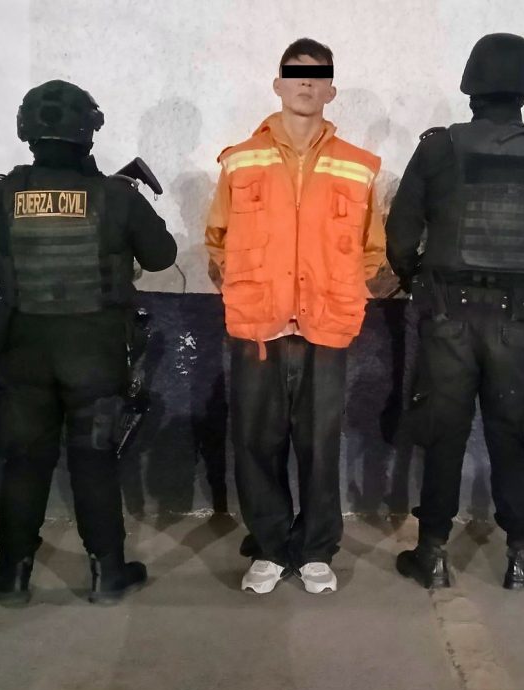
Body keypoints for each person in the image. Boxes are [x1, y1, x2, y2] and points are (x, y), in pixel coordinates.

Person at [386, 34, 524, 591]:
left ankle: (432, 555)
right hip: (516, 323)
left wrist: (416, 279)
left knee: (444, 434)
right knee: (511, 437)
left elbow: (399, 237)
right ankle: (523, 558)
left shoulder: (438, 148)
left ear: (471, 87)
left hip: (448, 319)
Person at [0, 79, 177, 604]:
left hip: (24, 352)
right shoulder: (116, 196)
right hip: (95, 354)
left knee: (24, 462)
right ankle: (108, 575)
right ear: (89, 131)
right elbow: (162, 256)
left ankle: (12, 576)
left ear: (26, 130)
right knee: (94, 461)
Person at [205, 38, 386, 594]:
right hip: (259, 329)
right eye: (295, 74)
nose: (306, 83)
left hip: (325, 329)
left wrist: (342, 294)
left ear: (331, 90)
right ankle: (268, 546)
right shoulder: (239, 159)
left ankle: (315, 550)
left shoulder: (358, 167)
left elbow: (371, 250)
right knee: (256, 443)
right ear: (278, 84)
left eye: (318, 76)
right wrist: (254, 293)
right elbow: (218, 240)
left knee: (319, 444)